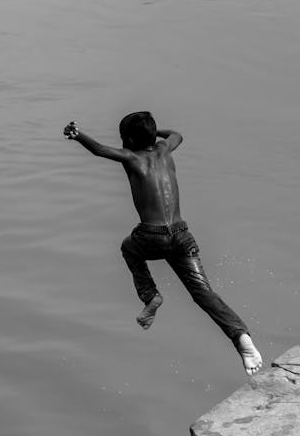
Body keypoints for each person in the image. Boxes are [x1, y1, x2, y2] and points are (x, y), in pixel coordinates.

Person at [63, 112, 262, 375]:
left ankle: (151, 296)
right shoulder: (165, 149)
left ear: (130, 139)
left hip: (152, 235)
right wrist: (155, 133)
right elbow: (176, 134)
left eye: (124, 138)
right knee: (203, 292)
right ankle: (241, 338)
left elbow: (99, 150)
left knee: (128, 247)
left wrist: (78, 135)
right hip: (182, 235)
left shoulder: (131, 158)